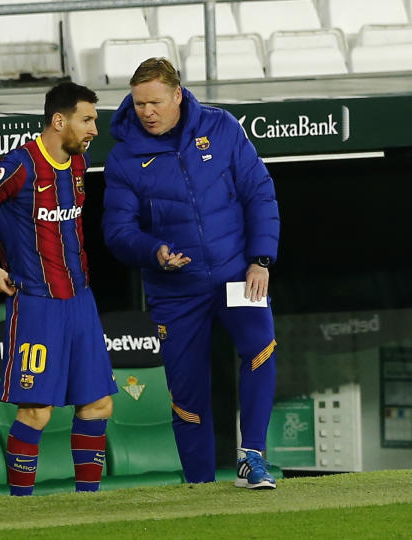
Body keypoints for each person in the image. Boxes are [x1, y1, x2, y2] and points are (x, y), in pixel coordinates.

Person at [102, 58, 280, 489]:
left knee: (261, 348)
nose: (147, 112)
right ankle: (200, 486)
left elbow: (259, 193)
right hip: (175, 290)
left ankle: (252, 458)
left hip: (238, 273)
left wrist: (260, 259)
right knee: (187, 391)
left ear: (177, 95)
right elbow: (118, 231)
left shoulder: (221, 127)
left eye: (155, 102)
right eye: (139, 103)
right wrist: (154, 251)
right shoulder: (123, 157)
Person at [0, 82, 117, 496]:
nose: (94, 130)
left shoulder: (79, 162)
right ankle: (21, 506)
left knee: (99, 403)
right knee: (37, 410)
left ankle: (88, 504)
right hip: (36, 304)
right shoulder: (19, 165)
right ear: (59, 121)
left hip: (81, 299)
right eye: (87, 120)